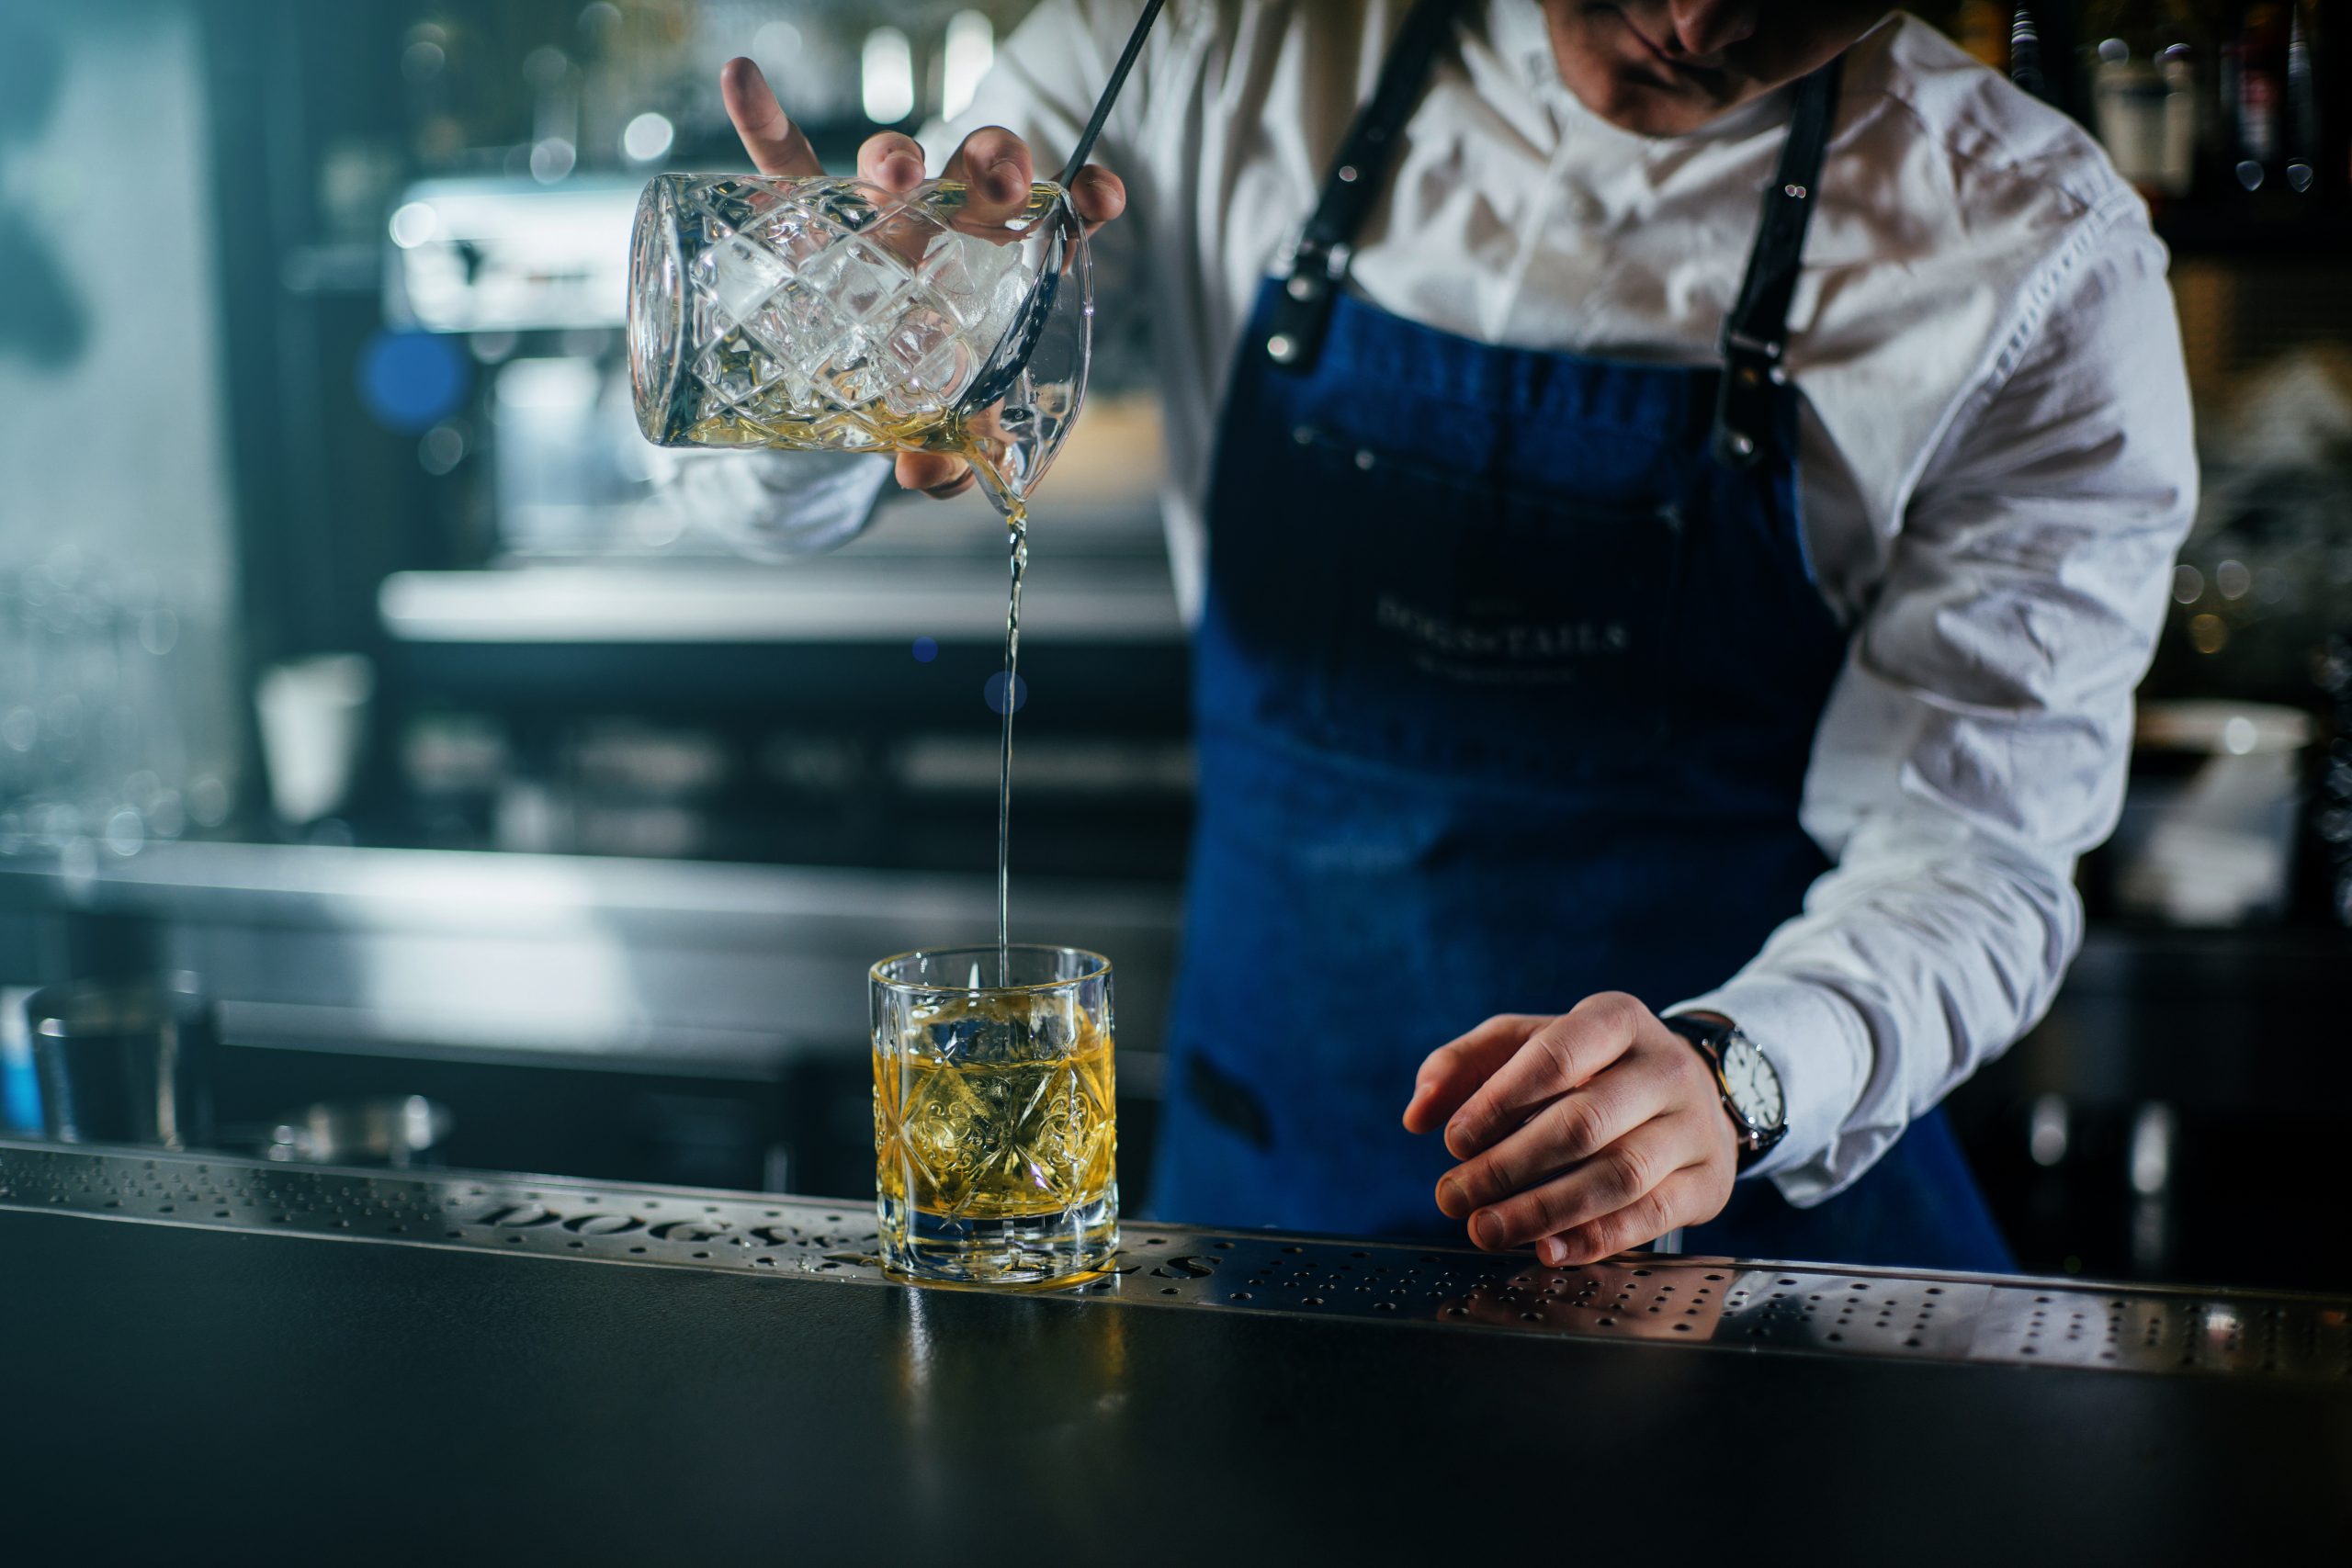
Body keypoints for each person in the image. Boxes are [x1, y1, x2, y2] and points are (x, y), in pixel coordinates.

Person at [716, 0, 2196, 1272]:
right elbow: (789, 470)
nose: (1689, 17)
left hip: (1738, 1255)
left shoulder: (2036, 252)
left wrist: (1741, 1075)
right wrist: (826, 338)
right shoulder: (1215, 43)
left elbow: (1982, 849)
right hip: (1260, 1205)